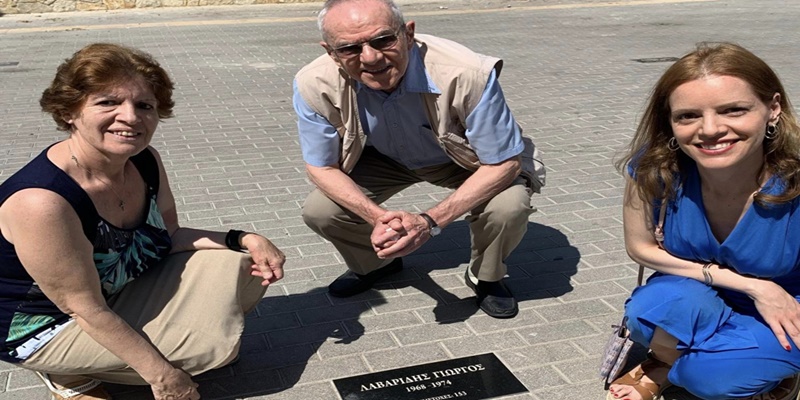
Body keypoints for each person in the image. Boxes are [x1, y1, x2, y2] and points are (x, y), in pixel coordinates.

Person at [0, 43, 286, 400]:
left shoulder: (144, 160)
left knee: (245, 264)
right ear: (70, 110)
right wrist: (164, 377)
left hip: (111, 292)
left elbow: (169, 235)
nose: (131, 117)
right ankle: (65, 373)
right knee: (203, 349)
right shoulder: (42, 201)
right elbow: (82, 307)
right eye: (108, 102)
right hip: (49, 324)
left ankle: (125, 358)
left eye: (144, 106)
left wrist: (244, 238)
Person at [292, 0, 545, 319]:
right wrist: (377, 218)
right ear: (331, 52)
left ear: (408, 34)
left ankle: (486, 276)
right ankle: (378, 263)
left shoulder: (467, 72)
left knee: (509, 206)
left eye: (383, 40)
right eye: (350, 48)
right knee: (321, 210)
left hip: (464, 160)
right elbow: (321, 166)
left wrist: (429, 222)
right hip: (385, 158)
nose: (370, 57)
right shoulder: (313, 83)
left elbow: (503, 163)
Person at [609, 42, 800, 400]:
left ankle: (677, 363)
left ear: (772, 109)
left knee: (709, 379)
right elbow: (641, 248)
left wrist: (775, 296)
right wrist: (755, 287)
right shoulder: (656, 170)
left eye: (733, 110)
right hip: (705, 292)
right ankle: (694, 358)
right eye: (688, 116)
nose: (710, 129)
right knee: (647, 310)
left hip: (787, 307)